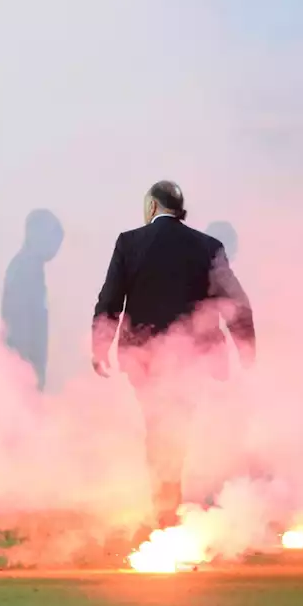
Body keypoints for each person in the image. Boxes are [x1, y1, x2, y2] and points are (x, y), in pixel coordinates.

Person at [91, 180, 255, 530]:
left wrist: (99, 347)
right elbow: (236, 304)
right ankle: (176, 507)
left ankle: (166, 509)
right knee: (178, 428)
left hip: (143, 357)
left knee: (157, 428)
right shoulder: (207, 246)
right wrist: (246, 350)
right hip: (193, 357)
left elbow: (110, 301)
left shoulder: (129, 243)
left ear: (151, 206)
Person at [1, 209, 64, 391]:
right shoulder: (25, 269)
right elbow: (19, 323)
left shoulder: (29, 267)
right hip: (22, 367)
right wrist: (29, 371)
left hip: (23, 365)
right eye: (53, 241)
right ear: (37, 236)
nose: (55, 250)